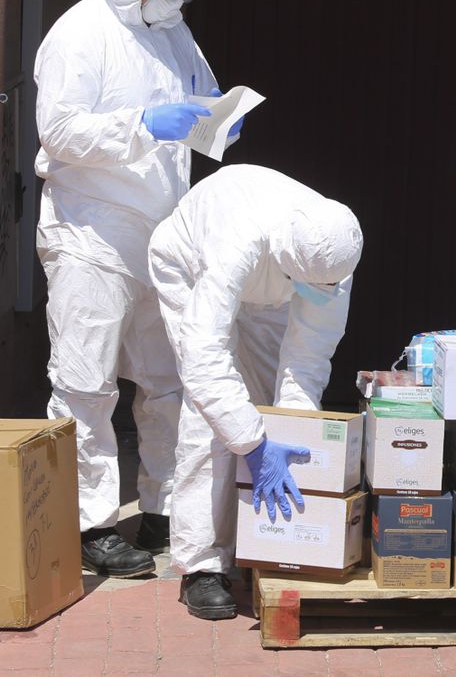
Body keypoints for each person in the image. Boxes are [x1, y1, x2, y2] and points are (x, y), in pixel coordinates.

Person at [35, 0, 228, 578]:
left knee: (166, 381)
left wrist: (217, 121)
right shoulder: (80, 32)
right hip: (92, 229)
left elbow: (203, 98)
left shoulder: (175, 35)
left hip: (160, 233)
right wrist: (143, 124)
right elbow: (60, 131)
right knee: (85, 382)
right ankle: (89, 522)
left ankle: (163, 508)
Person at [148, 164, 363, 620]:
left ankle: (265, 542)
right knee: (212, 418)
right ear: (287, 258)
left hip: (274, 286)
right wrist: (252, 444)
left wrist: (292, 431)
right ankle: (201, 563)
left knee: (270, 407)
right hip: (189, 267)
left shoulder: (335, 252)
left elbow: (307, 358)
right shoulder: (236, 242)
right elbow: (205, 359)